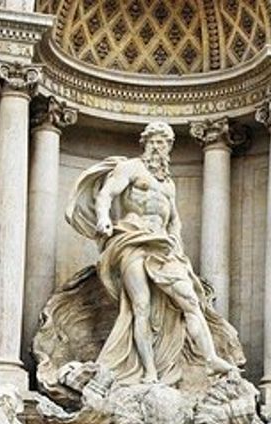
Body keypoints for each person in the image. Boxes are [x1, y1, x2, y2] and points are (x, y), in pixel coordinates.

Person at [65, 122, 242, 386]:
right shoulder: (131, 168)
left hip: (163, 246)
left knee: (191, 301)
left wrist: (179, 251)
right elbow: (106, 194)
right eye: (154, 141)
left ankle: (211, 358)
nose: (158, 147)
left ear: (170, 147)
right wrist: (102, 218)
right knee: (141, 307)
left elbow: (175, 221)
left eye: (163, 142)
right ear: (145, 143)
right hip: (132, 239)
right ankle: (148, 371)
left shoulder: (168, 184)